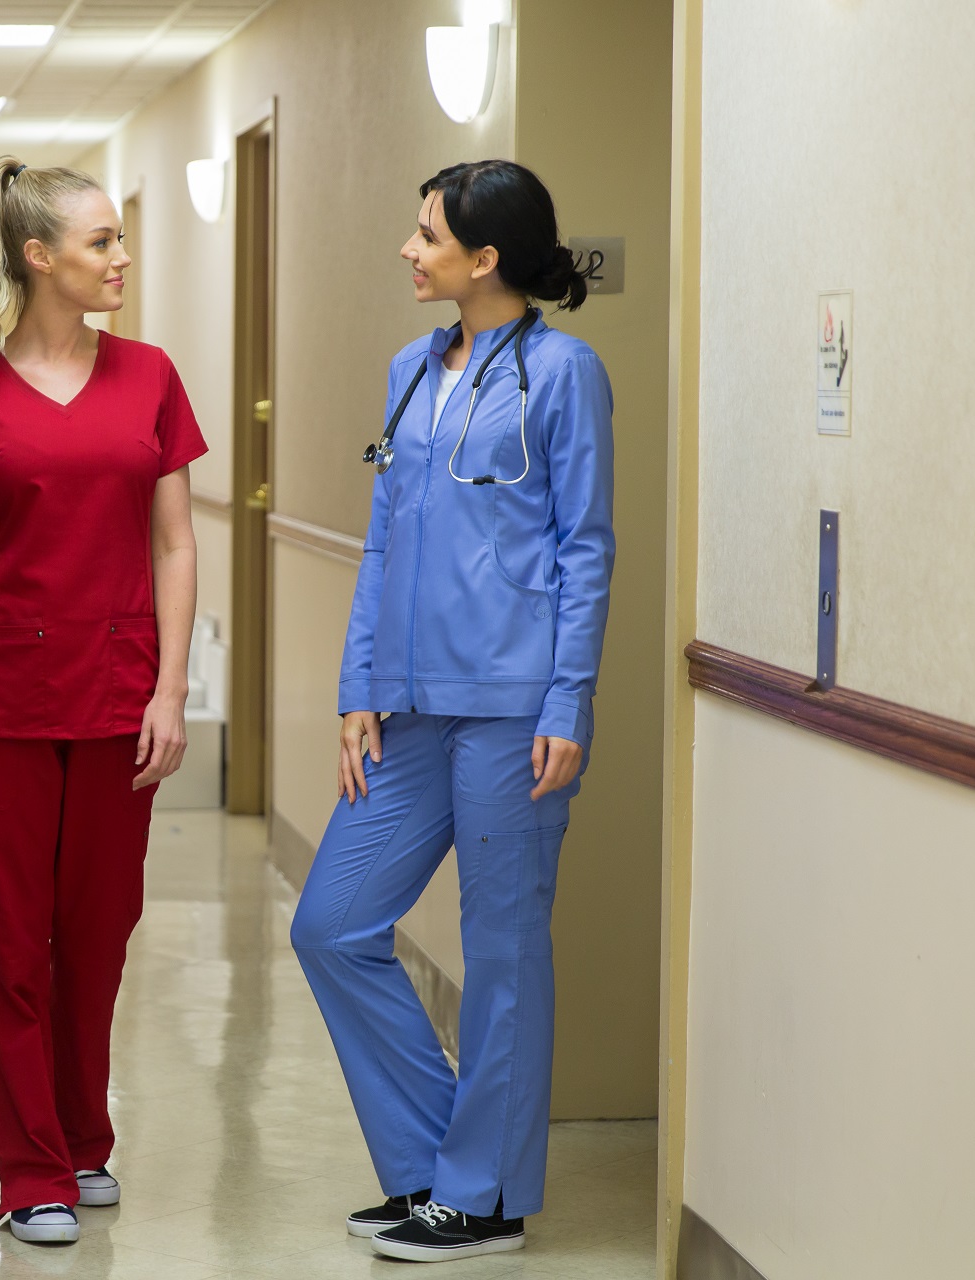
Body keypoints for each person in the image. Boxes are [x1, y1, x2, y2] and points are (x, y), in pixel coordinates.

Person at [289, 159, 613, 1264]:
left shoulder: (565, 375)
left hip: (518, 710)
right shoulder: (412, 368)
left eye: (425, 233)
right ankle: (436, 1163)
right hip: (413, 708)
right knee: (330, 922)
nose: (407, 248)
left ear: (484, 259)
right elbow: (384, 542)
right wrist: (360, 688)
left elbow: (586, 549)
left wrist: (569, 698)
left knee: (503, 950)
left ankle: (483, 1198)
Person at [0, 157, 205, 1245]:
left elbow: (175, 539)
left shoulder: (151, 378)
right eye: (100, 244)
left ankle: (84, 1134)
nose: (120, 260)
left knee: (101, 930)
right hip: (0, 698)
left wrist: (173, 685)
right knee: (11, 939)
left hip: (122, 690)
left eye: (118, 241)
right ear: (39, 257)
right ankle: (30, 1166)